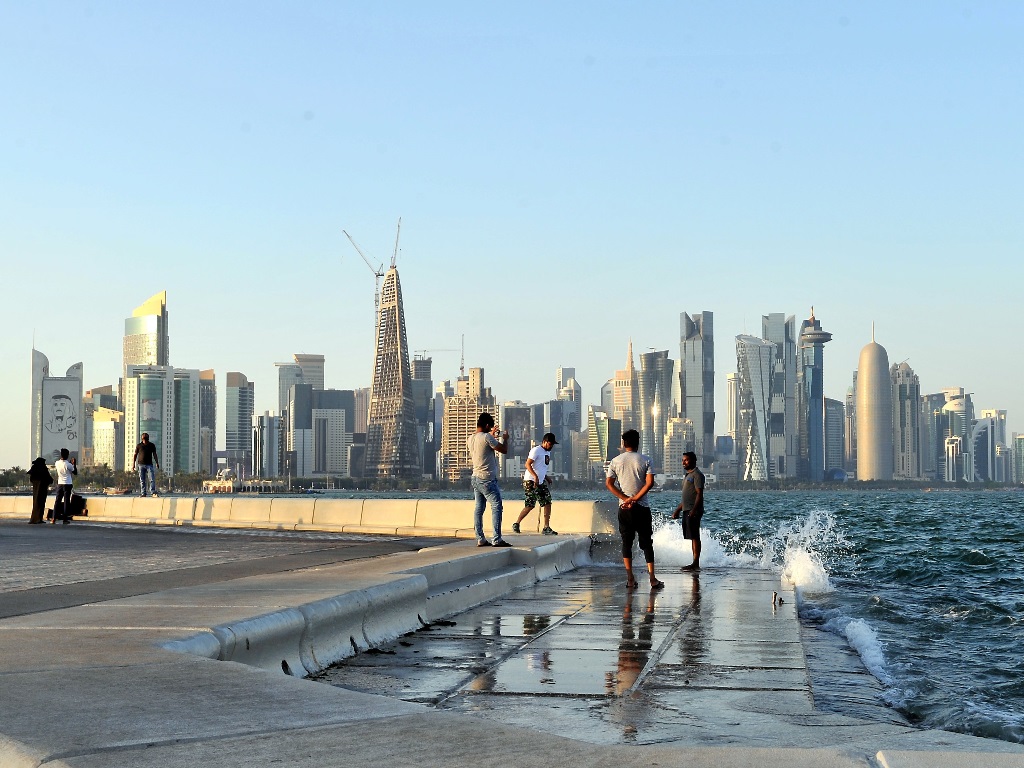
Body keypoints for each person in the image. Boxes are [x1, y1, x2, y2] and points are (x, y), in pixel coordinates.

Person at [605, 429, 664, 590]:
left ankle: (630, 579)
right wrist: (635, 499)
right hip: (642, 507)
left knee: (626, 543)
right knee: (647, 543)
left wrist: (625, 499)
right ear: (638, 442)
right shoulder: (646, 460)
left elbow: (609, 484)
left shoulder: (615, 461)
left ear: (624, 444)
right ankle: (652, 579)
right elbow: (650, 483)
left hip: (624, 508)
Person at [467, 412, 512, 547]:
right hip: (487, 479)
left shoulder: (471, 438)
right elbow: (503, 450)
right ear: (487, 425)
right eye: (490, 427)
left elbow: (484, 447)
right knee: (496, 506)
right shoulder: (487, 437)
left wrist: (492, 436)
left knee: (479, 508)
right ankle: (497, 539)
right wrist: (505, 438)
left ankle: (480, 538)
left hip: (475, 477)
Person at [512, 432, 558, 535]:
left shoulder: (547, 453)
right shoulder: (536, 450)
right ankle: (517, 523)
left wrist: (546, 477)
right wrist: (535, 476)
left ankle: (546, 527)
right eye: (550, 444)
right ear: (544, 442)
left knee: (547, 502)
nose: (551, 446)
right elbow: (527, 464)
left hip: (540, 482)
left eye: (552, 445)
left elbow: (541, 468)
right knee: (530, 505)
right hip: (530, 481)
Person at [672, 451, 706, 571]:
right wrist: (677, 510)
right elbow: (687, 498)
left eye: (686, 460)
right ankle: (694, 562)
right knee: (692, 537)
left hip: (693, 511)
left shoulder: (697, 475)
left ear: (693, 461)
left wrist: (693, 510)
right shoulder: (688, 475)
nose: (683, 462)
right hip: (687, 510)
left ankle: (696, 563)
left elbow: (699, 494)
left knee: (695, 536)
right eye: (682, 460)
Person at [52, 448, 77, 524]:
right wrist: (74, 464)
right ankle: (65, 519)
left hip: (60, 483)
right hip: (68, 484)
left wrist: (70, 463)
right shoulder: (68, 464)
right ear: (67, 455)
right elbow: (75, 472)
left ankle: (54, 518)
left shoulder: (57, 463)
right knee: (66, 501)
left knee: (58, 501)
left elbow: (64, 466)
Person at [132, 432, 160, 497]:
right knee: (142, 480)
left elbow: (155, 454)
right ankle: (143, 493)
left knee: (152, 479)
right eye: (143, 436)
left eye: (146, 436)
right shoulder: (139, 445)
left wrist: (157, 462)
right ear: (142, 438)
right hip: (141, 465)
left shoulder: (151, 445)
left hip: (149, 464)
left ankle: (153, 492)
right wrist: (133, 464)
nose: (144, 437)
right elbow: (135, 455)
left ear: (148, 438)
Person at [27, 457, 53, 524]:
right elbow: (49, 479)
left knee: (36, 503)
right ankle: (38, 518)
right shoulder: (43, 469)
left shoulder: (34, 468)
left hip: (35, 489)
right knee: (41, 503)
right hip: (42, 489)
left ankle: (35, 518)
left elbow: (31, 479)